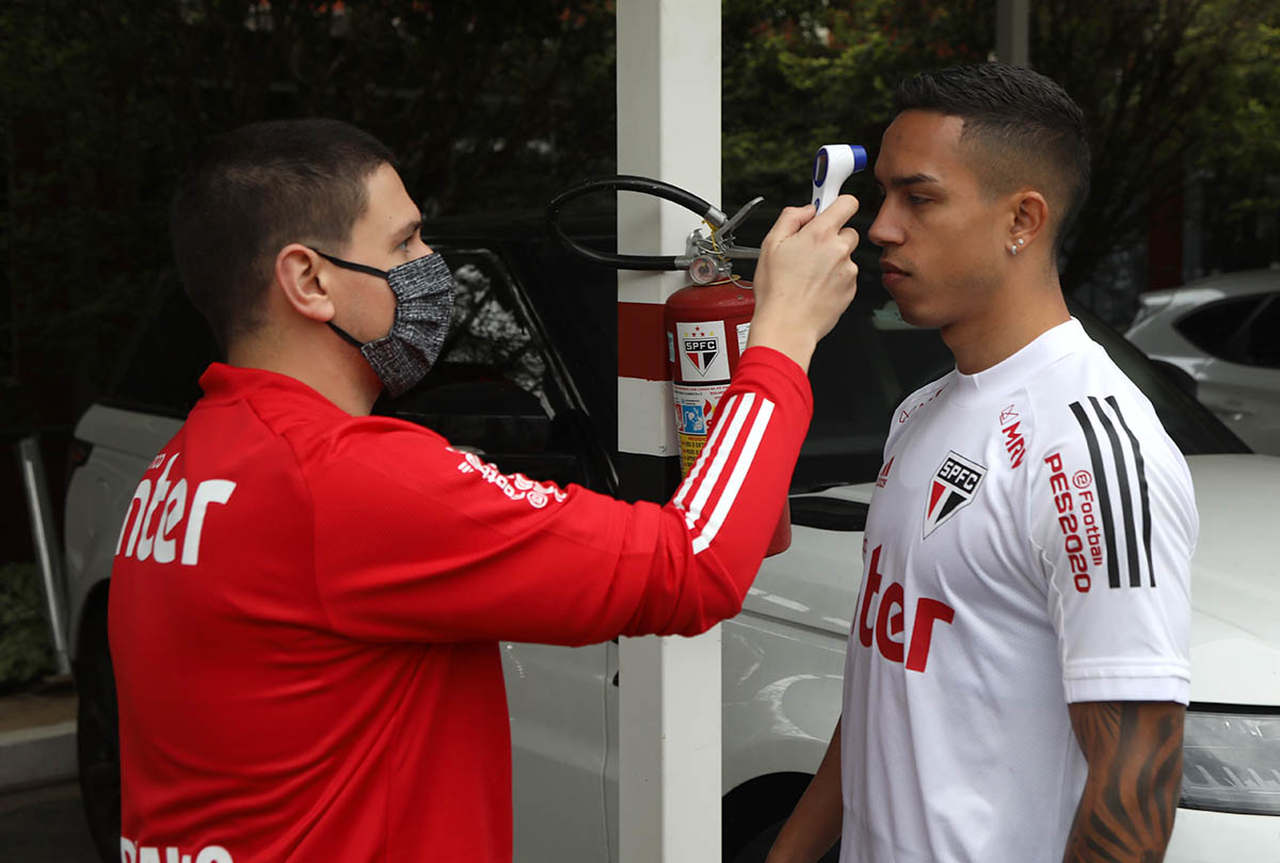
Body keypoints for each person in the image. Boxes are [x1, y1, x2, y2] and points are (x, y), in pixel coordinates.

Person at [107, 117, 861, 862]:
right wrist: (784, 332)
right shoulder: (340, 477)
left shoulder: (183, 467)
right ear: (309, 280)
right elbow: (692, 562)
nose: (430, 262)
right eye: (403, 242)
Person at [765, 63, 1196, 863]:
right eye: (884, 194)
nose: (883, 226)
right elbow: (885, 690)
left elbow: (1135, 778)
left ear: (1022, 220)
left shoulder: (1091, 448)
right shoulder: (919, 413)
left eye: (918, 198)